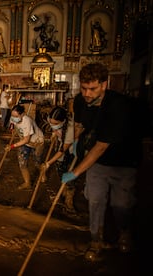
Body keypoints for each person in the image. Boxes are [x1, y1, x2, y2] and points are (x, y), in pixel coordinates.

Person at [61, 63, 143, 261]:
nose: (87, 93)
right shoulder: (80, 101)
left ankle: (124, 231)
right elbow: (79, 124)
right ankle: (96, 239)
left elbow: (101, 146)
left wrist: (76, 172)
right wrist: (75, 141)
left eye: (93, 89)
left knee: (120, 204)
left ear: (104, 85)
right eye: (83, 88)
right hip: (97, 162)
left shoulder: (118, 106)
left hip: (124, 160)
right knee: (96, 200)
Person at [40, 106, 76, 212]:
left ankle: (69, 201)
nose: (53, 125)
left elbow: (62, 151)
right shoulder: (52, 120)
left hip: (73, 150)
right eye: (51, 123)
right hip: (61, 145)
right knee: (60, 169)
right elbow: (56, 130)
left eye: (56, 124)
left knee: (70, 174)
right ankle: (63, 190)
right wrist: (54, 133)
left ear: (63, 121)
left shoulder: (70, 128)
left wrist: (48, 163)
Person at [5, 104, 45, 190]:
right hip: (25, 142)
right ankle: (27, 183)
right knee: (22, 162)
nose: (13, 117)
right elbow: (12, 125)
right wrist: (13, 129)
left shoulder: (27, 121)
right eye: (12, 115)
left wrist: (12, 146)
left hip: (37, 142)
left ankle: (43, 172)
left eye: (16, 116)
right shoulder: (13, 118)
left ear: (22, 114)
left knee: (37, 162)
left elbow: (27, 139)